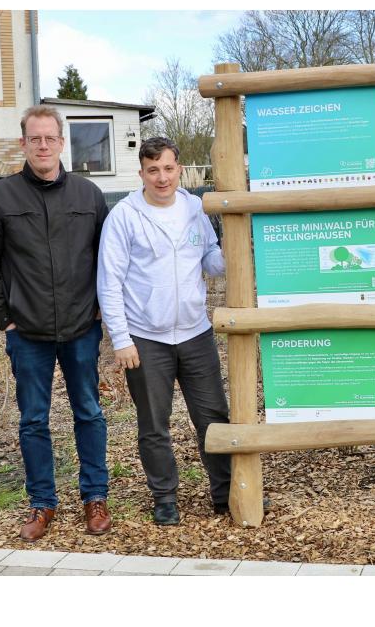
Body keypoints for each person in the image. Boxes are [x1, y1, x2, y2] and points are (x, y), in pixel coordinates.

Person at [0, 106, 111, 541]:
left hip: (80, 329)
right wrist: (3, 317)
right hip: (26, 333)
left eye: (50, 138)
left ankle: (95, 498)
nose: (43, 146)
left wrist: (103, 309)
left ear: (62, 143)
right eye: (35, 139)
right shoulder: (1, 197)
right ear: (23, 143)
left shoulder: (88, 196)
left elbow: (110, 259)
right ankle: (42, 503)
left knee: (88, 412)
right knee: (33, 420)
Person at [97, 136, 231, 526]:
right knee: (154, 423)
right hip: (146, 338)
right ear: (141, 173)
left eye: (169, 169)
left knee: (213, 417)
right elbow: (109, 282)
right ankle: (165, 497)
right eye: (153, 170)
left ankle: (224, 493)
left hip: (195, 332)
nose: (162, 177)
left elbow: (210, 257)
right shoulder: (124, 216)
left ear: (180, 170)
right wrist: (121, 339)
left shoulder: (194, 208)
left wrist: (233, 253)